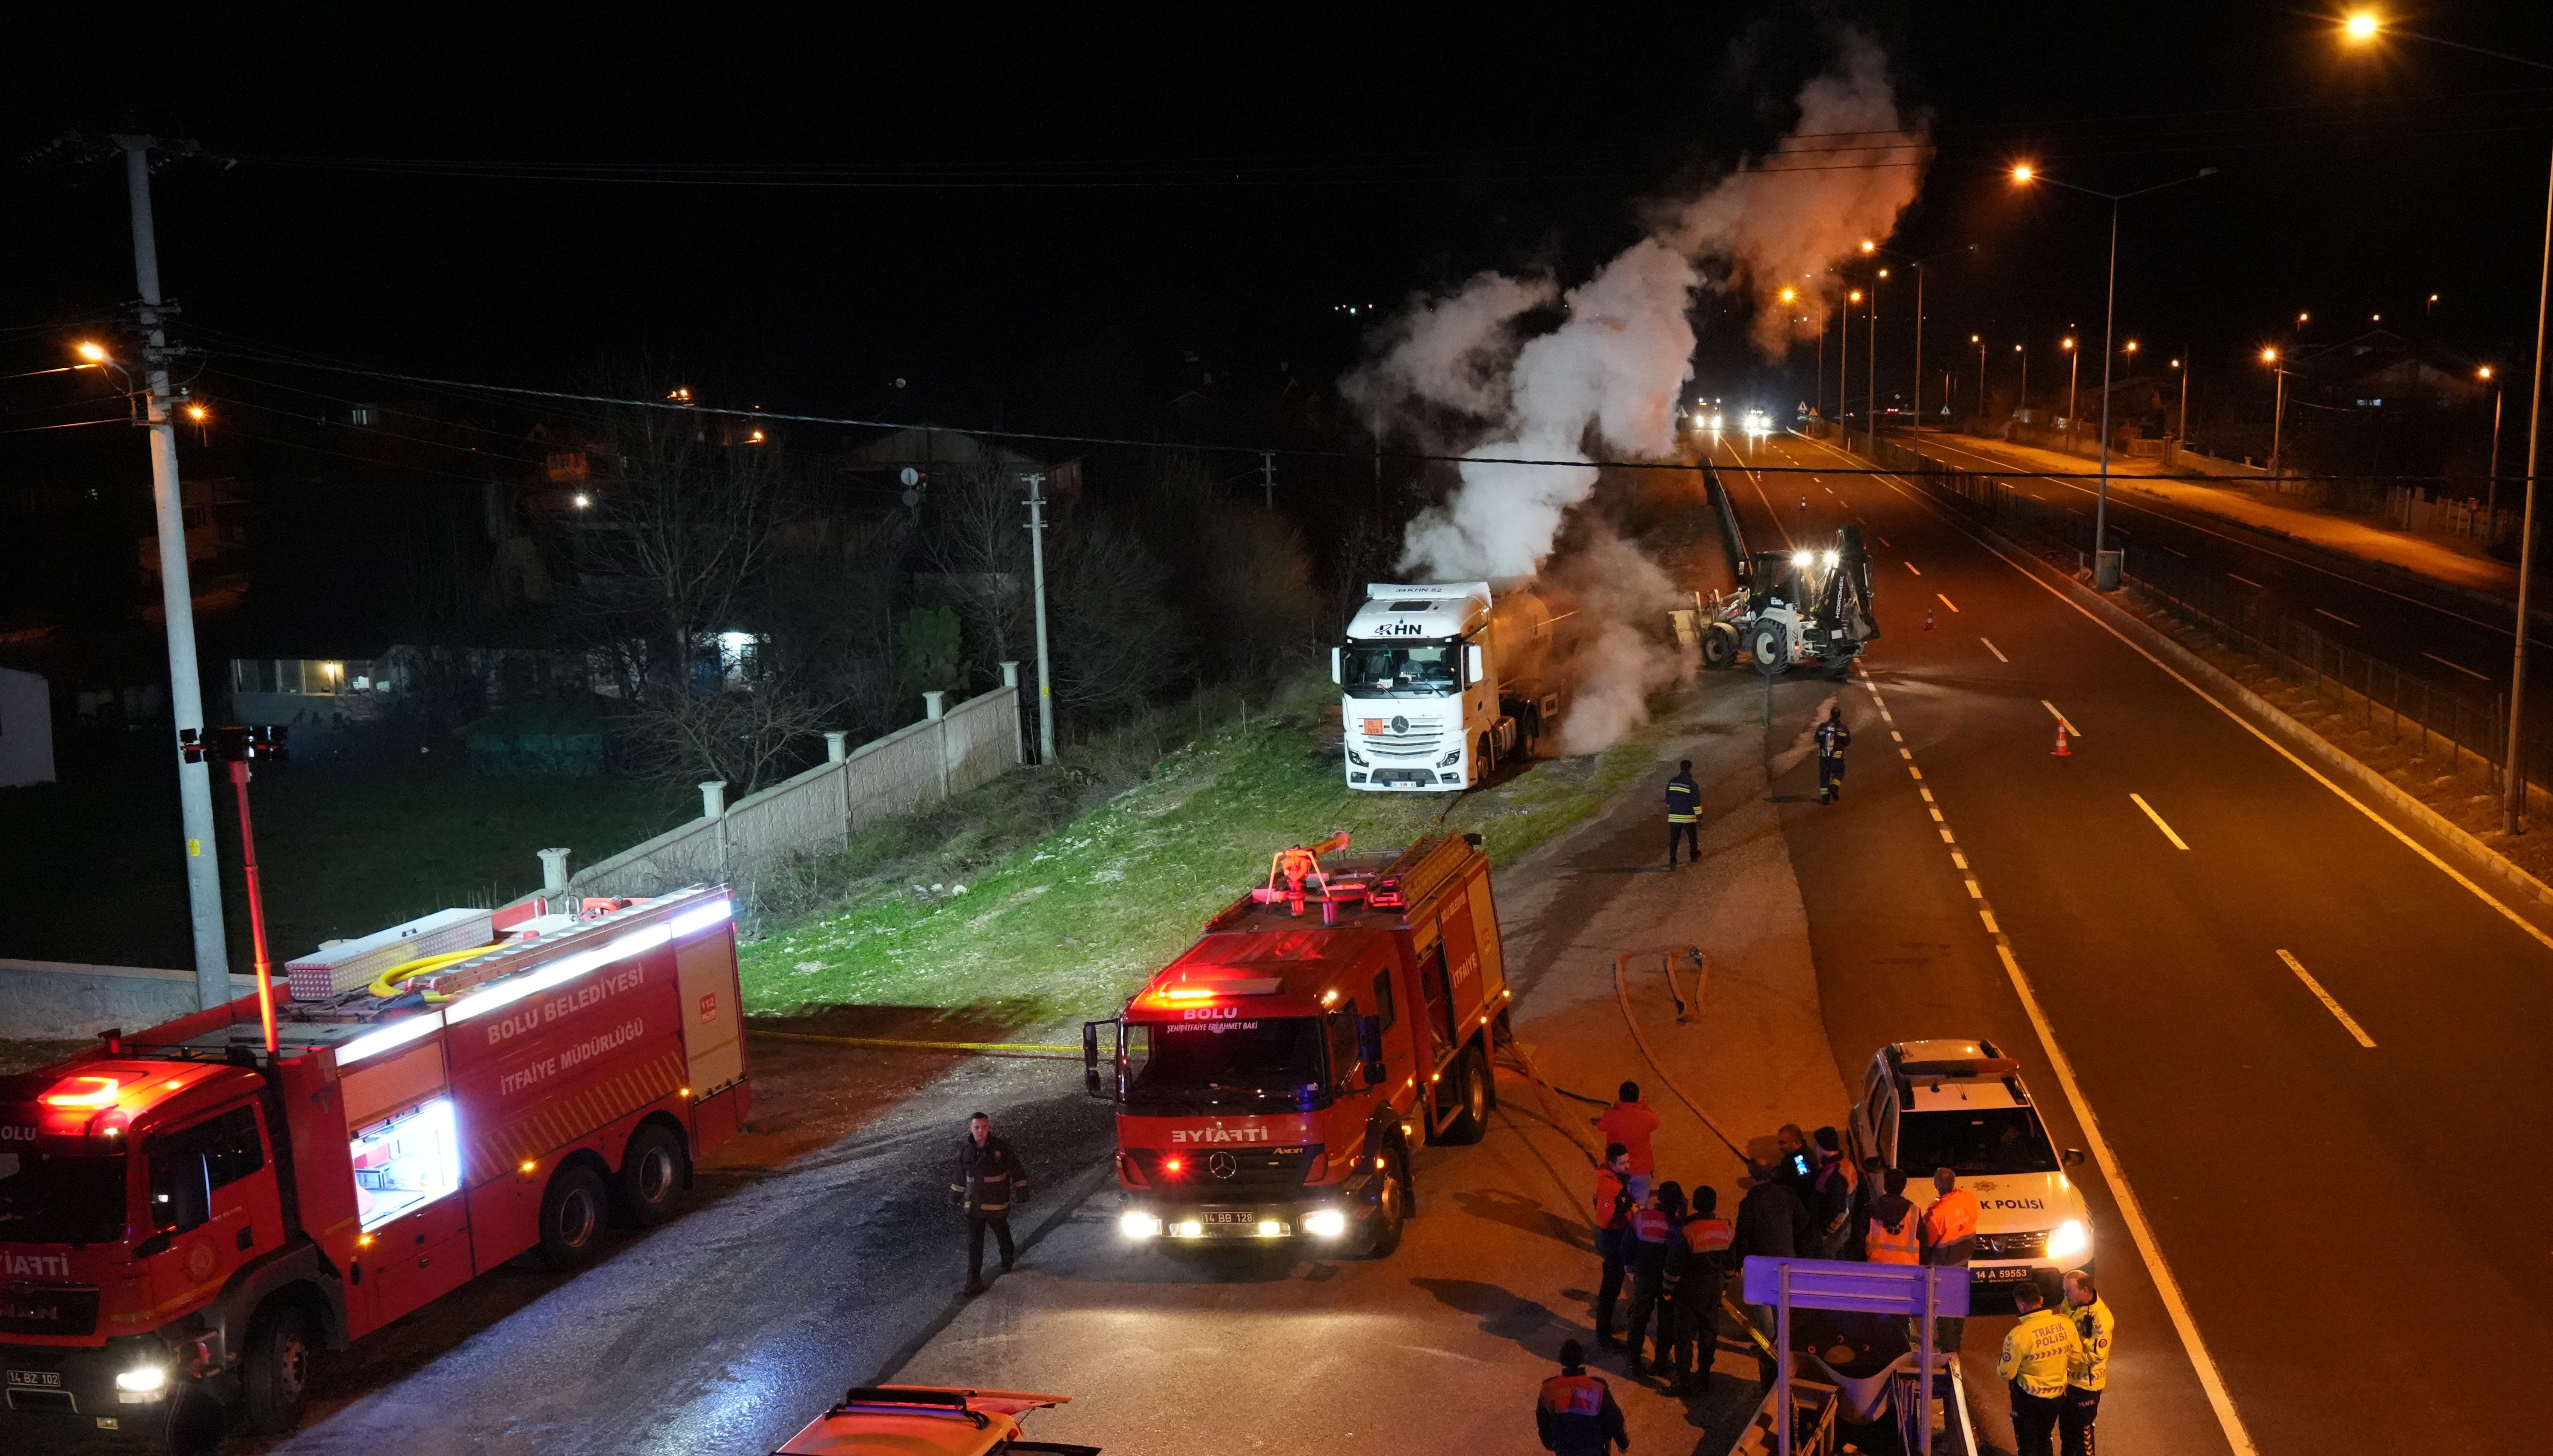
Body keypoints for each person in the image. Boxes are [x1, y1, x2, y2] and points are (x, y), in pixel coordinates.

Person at [1733, 1172, 1810, 1386]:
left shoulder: (1749, 1202)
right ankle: (1785, 1343)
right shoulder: (1788, 1195)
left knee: (1763, 1306)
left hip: (1761, 1262)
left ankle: (1770, 1349)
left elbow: (1743, 1235)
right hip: (1787, 1257)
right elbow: (1802, 1222)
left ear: (1752, 1175)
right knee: (1783, 1302)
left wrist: (1741, 1262)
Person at [1664, 1184, 1734, 1397]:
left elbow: (1674, 1267)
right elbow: (1731, 1264)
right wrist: (1725, 1286)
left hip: (1690, 1291)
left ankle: (1683, 1380)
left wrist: (1668, 1290)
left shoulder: (1688, 1232)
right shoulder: (1726, 1229)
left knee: (1684, 1337)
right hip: (1714, 1290)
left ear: (1694, 1204)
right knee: (1708, 1333)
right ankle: (1704, 1377)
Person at [1999, 1281, 2082, 1456]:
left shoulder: (2018, 1336)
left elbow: (2006, 1373)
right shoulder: (2066, 1324)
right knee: (2045, 1437)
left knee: (2027, 1445)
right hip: (2056, 1398)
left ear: (2021, 1306)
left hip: (2028, 1399)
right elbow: (2076, 1360)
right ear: (2041, 1300)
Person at [953, 1111, 1029, 1295]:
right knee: (975, 1243)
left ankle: (1007, 1260)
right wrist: (955, 1194)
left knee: (1002, 1233)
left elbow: (1016, 1169)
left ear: (990, 1127)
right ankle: (973, 1280)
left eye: (984, 1127)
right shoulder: (966, 1150)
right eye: (977, 1127)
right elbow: (960, 1175)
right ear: (971, 1129)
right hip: (975, 1205)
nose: (980, 1131)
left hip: (996, 1203)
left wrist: (1022, 1189)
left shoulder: (1001, 1148)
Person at [1622, 1182, 1684, 1378]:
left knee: (1639, 1317)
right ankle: (1660, 1363)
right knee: (1666, 1321)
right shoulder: (1678, 1227)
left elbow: (1627, 1247)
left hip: (1645, 1277)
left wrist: (1630, 1264)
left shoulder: (1642, 1218)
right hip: (1668, 1281)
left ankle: (1634, 1360)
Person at [1537, 1338, 1631, 1456]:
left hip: (1565, 1449)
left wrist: (1549, 1443)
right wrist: (1623, 1443)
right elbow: (1614, 1418)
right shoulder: (1597, 1387)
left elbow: (1543, 1421)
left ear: (1561, 1360)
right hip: (1593, 1447)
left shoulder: (1549, 1388)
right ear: (1581, 1359)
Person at [1919, 1166, 1978, 1352]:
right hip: (1964, 1258)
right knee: (1958, 1301)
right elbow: (1975, 1216)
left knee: (1944, 1307)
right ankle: (1957, 1342)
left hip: (1945, 1265)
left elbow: (1928, 1241)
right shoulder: (1969, 1198)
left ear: (1936, 1185)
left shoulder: (1937, 1214)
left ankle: (1949, 1349)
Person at [2059, 1270, 2113, 1456]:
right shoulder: (2071, 1303)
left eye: (2069, 1291)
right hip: (2068, 1382)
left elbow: (2097, 1355)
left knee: (2083, 1438)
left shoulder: (2101, 1319)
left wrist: (2069, 1356)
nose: (2065, 1296)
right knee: (2066, 1433)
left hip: (2086, 1385)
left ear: (2085, 1290)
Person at [1591, 1144, 1637, 1349]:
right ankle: (1604, 1333)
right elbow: (1606, 1218)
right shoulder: (1611, 1187)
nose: (1628, 1166)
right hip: (1613, 1238)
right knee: (1611, 1286)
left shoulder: (1609, 1179)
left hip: (1613, 1236)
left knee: (1612, 1281)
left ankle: (1605, 1326)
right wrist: (1629, 1209)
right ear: (1611, 1164)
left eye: (1628, 1161)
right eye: (1623, 1163)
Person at [1592, 1084, 1661, 1199]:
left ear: (1620, 1097)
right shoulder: (1648, 1117)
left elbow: (1601, 1126)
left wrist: (1617, 1107)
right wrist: (1643, 1104)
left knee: (1615, 1200)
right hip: (1641, 1169)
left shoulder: (1612, 1116)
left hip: (1617, 1170)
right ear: (1638, 1097)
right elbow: (1656, 1122)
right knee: (1641, 1205)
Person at [1808, 1127, 1857, 1258]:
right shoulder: (1845, 1164)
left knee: (1826, 1267)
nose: (1814, 1148)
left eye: (1816, 1145)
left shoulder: (1835, 1177)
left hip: (1832, 1237)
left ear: (1822, 1147)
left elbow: (1841, 1211)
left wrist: (1826, 1233)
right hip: (1844, 1230)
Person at [1864, 1169, 1921, 1265]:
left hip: (1876, 1265)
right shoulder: (1914, 1211)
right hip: (1909, 1269)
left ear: (1885, 1186)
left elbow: (1858, 1240)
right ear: (1904, 1187)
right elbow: (1923, 1244)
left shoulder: (1870, 1208)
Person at [1665, 760, 1702, 868]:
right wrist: (1700, 817)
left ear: (1680, 768)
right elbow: (1696, 803)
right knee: (1692, 837)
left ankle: (1673, 860)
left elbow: (1667, 800)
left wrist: (1674, 808)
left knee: (1674, 839)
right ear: (1690, 769)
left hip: (1674, 817)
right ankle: (1694, 856)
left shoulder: (1672, 782)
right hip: (1688, 817)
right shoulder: (1692, 784)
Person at [1815, 706, 1850, 803]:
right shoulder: (1843, 728)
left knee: (1824, 775)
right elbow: (1847, 742)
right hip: (1837, 758)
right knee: (1839, 773)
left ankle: (1825, 797)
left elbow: (1817, 739)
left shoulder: (1823, 726)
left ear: (1831, 714)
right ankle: (1834, 787)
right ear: (1839, 716)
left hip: (1824, 757)